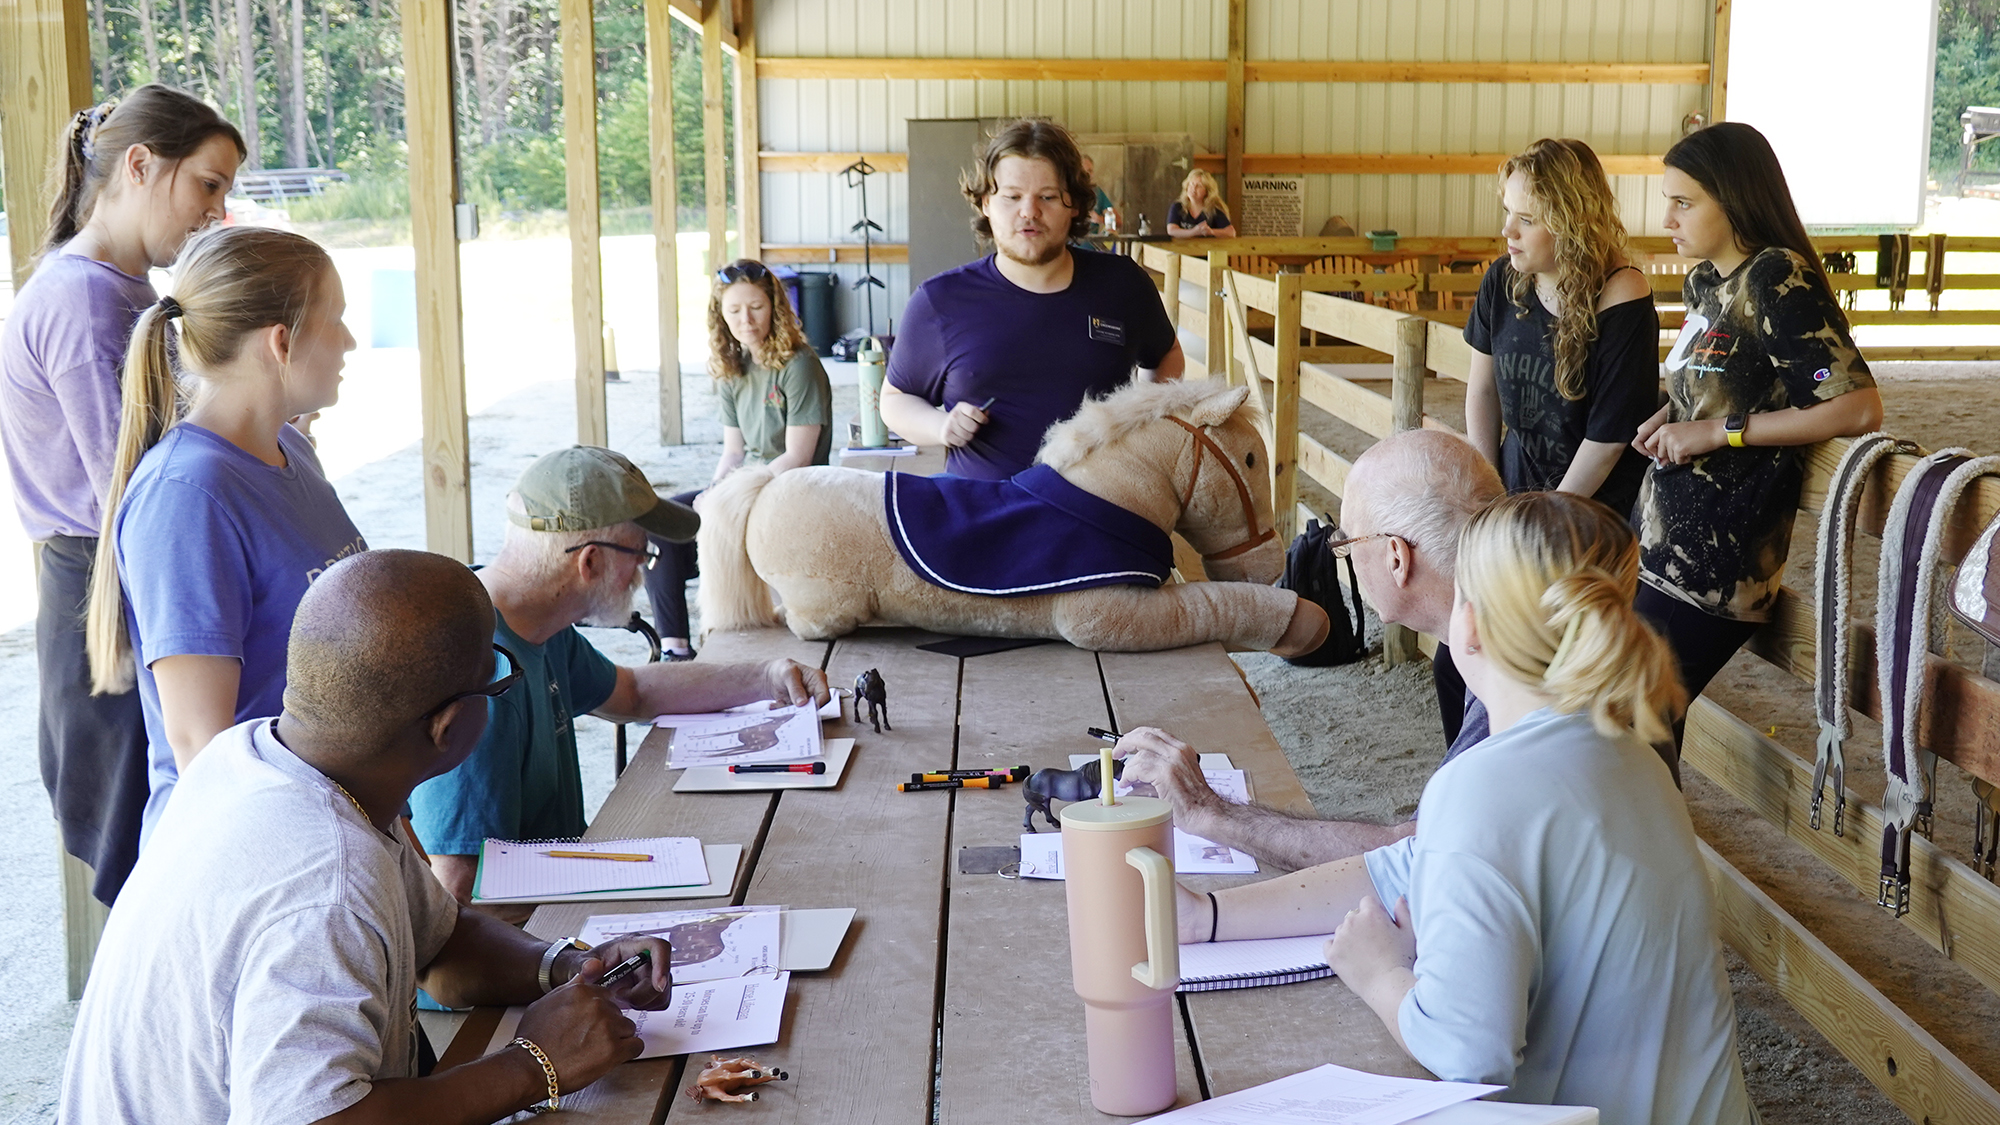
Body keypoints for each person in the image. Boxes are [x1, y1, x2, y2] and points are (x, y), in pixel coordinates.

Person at [1187, 493, 1756, 1125]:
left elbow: (1469, 1053)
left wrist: (1379, 976)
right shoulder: (1628, 749)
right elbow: (1400, 867)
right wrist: (1205, 917)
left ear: (1471, 622)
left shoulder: (1483, 788)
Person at [60, 549, 674, 1123]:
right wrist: (533, 1064)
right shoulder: (328, 883)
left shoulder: (258, 761)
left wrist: (570, 967)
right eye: (498, 677)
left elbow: (442, 941)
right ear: (451, 725)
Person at [0, 85, 242, 903]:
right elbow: (138, 483)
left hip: (117, 580)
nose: (218, 210)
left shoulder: (120, 291)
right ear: (140, 165)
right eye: (207, 183)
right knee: (149, 876)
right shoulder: (86, 297)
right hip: (104, 592)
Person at [411, 445, 831, 910]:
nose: (642, 572)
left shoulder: (533, 622)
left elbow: (634, 693)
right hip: (530, 952)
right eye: (641, 554)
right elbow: (458, 887)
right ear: (589, 562)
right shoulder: (479, 674)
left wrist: (765, 677)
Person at [85, 224, 365, 848]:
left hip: (324, 822)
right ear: (281, 342)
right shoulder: (186, 497)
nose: (349, 342)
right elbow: (202, 750)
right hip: (255, 850)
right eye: (336, 320)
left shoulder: (290, 447)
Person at [1117, 429, 1504, 871]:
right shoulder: (1486, 627)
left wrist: (1210, 812)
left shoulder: (1503, 659)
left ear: (1396, 558)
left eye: (1347, 544)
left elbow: (1415, 856)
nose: (1345, 556)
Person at [1633, 122, 1884, 711]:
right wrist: (1671, 412)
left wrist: (1719, 431)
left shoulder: (1776, 277)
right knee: (1635, 721)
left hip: (1719, 563)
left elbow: (1854, 403)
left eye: (1684, 203)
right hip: (1658, 537)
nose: (1667, 220)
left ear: (1736, 198)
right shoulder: (1706, 283)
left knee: (1638, 718)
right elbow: (1732, 379)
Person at [881, 118, 1183, 480]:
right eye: (1011, 196)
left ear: (1075, 205)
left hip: (1099, 513)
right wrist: (941, 425)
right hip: (984, 516)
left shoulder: (1123, 285)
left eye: (1048, 196)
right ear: (985, 204)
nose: (1029, 211)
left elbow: (1165, 356)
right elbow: (895, 401)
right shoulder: (940, 302)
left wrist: (1142, 425)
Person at [642, 259, 832, 659]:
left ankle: (734, 626)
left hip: (793, 487)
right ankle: (675, 648)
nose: (746, 319)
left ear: (775, 307)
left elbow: (798, 457)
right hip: (746, 483)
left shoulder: (799, 366)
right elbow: (733, 451)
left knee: (714, 516)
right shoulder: (733, 368)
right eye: (734, 310)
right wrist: (713, 491)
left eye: (756, 307)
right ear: (721, 316)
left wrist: (727, 496)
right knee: (661, 523)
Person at [1464, 138, 1658, 519]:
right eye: (1507, 212)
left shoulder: (1622, 296)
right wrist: (1487, 492)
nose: (1507, 231)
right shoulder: (1502, 279)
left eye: (1527, 219)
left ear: (1572, 224)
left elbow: (1607, 441)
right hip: (1514, 490)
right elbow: (1482, 389)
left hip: (1591, 512)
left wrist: (1546, 518)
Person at [1166, 169, 1237, 239]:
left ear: (1207, 191)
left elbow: (1231, 232)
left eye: (1199, 186)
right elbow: (1172, 230)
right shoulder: (1178, 207)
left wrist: (1211, 232)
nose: (1193, 188)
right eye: (1191, 184)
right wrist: (1194, 232)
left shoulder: (1214, 210)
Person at [1082, 154, 1116, 234]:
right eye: (1083, 171)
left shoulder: (1097, 192)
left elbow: (1118, 221)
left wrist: (1099, 219)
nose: (1087, 174)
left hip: (1093, 245)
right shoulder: (1069, 192)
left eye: (1090, 171)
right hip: (1070, 244)